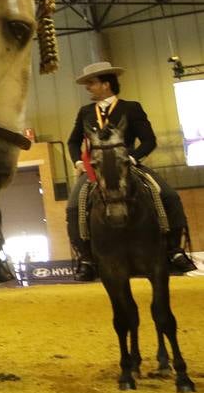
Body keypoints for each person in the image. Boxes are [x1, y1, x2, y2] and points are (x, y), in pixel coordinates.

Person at [64, 61, 194, 281]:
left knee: (169, 195)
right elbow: (73, 141)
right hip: (96, 169)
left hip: (128, 165)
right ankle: (85, 258)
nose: (88, 87)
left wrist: (132, 158)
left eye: (91, 83)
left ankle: (174, 251)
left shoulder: (131, 108)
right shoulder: (85, 112)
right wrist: (78, 161)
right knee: (74, 205)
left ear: (106, 84)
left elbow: (149, 140)